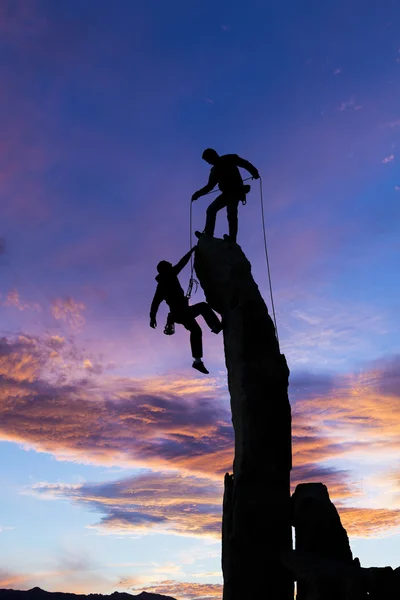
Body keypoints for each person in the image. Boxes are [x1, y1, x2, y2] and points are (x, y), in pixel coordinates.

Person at [149, 247, 222, 374]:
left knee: (196, 329)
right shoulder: (168, 278)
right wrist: (191, 251)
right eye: (168, 264)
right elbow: (182, 263)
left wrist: (152, 317)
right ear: (165, 269)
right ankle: (215, 327)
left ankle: (198, 361)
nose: (171, 265)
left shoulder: (164, 282)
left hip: (181, 313)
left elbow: (155, 303)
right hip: (180, 313)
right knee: (202, 310)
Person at [191, 148, 260, 243]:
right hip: (226, 194)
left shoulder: (229, 158)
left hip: (236, 191)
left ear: (213, 155)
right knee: (211, 210)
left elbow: (244, 163)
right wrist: (197, 194)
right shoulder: (214, 170)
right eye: (207, 161)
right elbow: (209, 187)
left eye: (208, 160)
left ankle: (232, 239)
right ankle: (208, 234)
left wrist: (254, 172)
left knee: (231, 212)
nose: (209, 163)